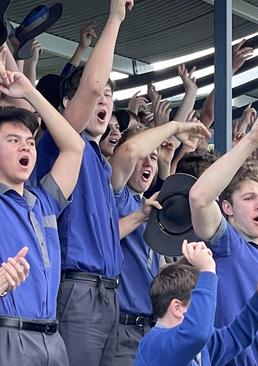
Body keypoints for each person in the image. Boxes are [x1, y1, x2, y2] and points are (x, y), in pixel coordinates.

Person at [33, 1, 135, 365]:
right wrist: (116, 18)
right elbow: (90, 85)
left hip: (110, 293)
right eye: (99, 95)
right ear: (66, 103)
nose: (104, 99)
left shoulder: (98, 160)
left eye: (111, 96)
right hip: (77, 289)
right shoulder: (61, 142)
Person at [189, 107, 258, 365]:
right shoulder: (227, 243)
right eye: (249, 198)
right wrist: (252, 140)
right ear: (227, 208)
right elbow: (199, 198)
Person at [0, 67, 86, 365]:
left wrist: (29, 92)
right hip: (9, 336)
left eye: (30, 142)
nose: (25, 146)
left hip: (52, 339)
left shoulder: (44, 200)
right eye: (13, 140)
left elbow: (75, 147)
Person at [108, 120, 209, 364]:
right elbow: (130, 150)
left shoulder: (153, 207)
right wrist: (174, 127)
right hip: (123, 327)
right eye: (144, 156)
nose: (148, 163)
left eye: (153, 158)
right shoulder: (116, 195)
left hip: (153, 328)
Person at [135, 240, 258, 366]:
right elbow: (196, 334)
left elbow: (236, 335)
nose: (208, 311)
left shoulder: (201, 346)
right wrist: (208, 270)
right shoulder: (154, 345)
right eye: (199, 304)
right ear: (177, 308)